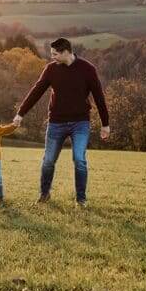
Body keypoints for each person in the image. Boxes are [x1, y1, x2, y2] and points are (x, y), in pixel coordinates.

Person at [13, 37, 109, 206]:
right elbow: (36, 91)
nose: (52, 57)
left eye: (55, 54)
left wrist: (105, 124)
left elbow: (99, 96)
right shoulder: (51, 69)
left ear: (66, 52)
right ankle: (44, 194)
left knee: (79, 159)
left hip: (80, 122)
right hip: (56, 122)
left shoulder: (87, 69)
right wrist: (21, 113)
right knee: (49, 160)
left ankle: (81, 199)